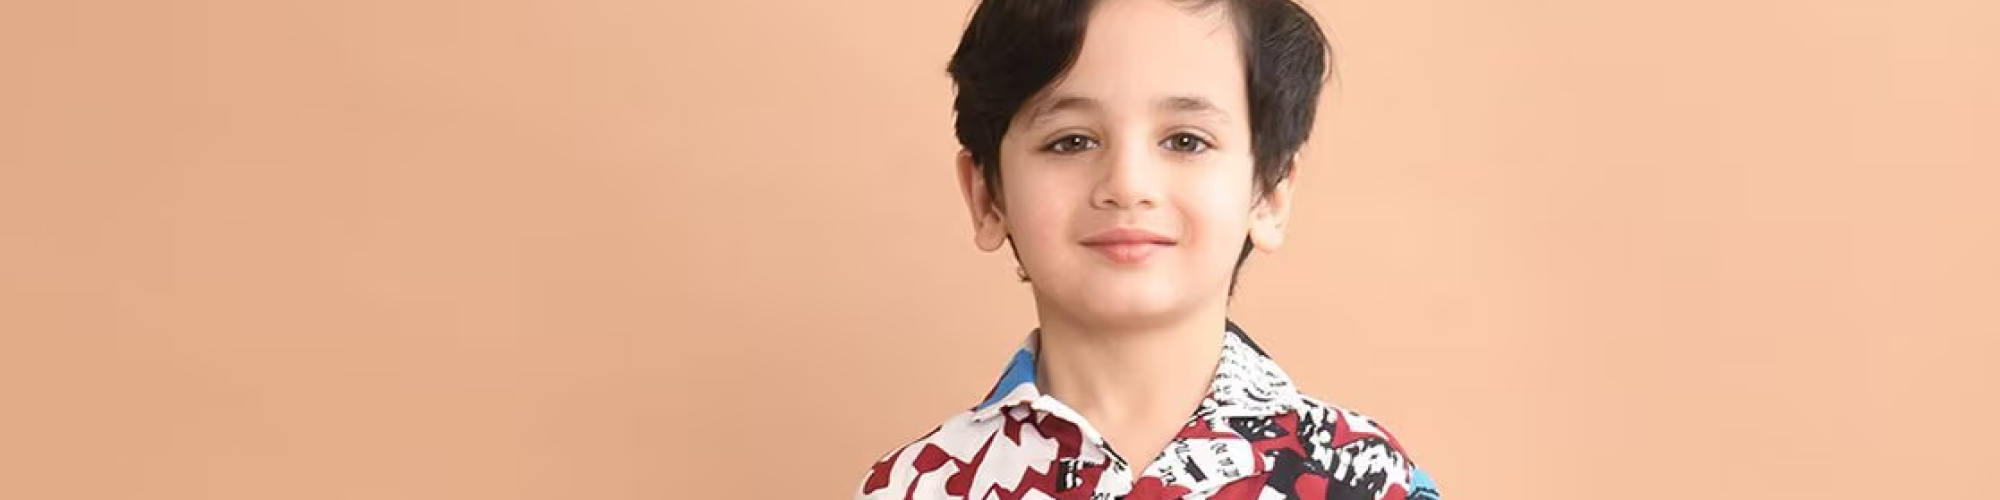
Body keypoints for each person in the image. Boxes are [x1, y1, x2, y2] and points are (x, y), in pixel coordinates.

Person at [856, 0, 1441, 498]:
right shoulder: (916, 486)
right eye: (1071, 141)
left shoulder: (1366, 478)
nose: (1128, 184)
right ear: (987, 196)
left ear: (1269, 193)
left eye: (1186, 140)